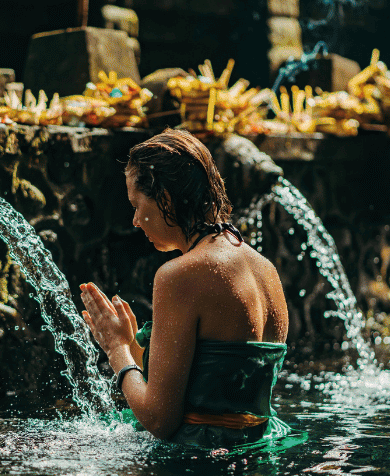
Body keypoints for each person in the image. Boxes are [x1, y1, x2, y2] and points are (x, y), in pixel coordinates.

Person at [80, 128, 296, 450]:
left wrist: (117, 351)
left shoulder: (179, 275)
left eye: (138, 205)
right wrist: (138, 352)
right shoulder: (267, 271)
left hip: (199, 469)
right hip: (260, 455)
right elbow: (219, 387)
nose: (136, 221)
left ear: (165, 198)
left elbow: (159, 420)